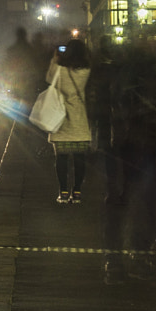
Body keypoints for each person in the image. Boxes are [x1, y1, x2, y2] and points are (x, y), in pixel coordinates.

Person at [45, 38, 95, 203]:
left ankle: (64, 192)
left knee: (62, 159)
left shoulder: (59, 70)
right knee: (80, 159)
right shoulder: (86, 70)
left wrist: (55, 58)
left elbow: (48, 78)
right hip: (79, 120)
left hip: (61, 120)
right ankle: (78, 191)